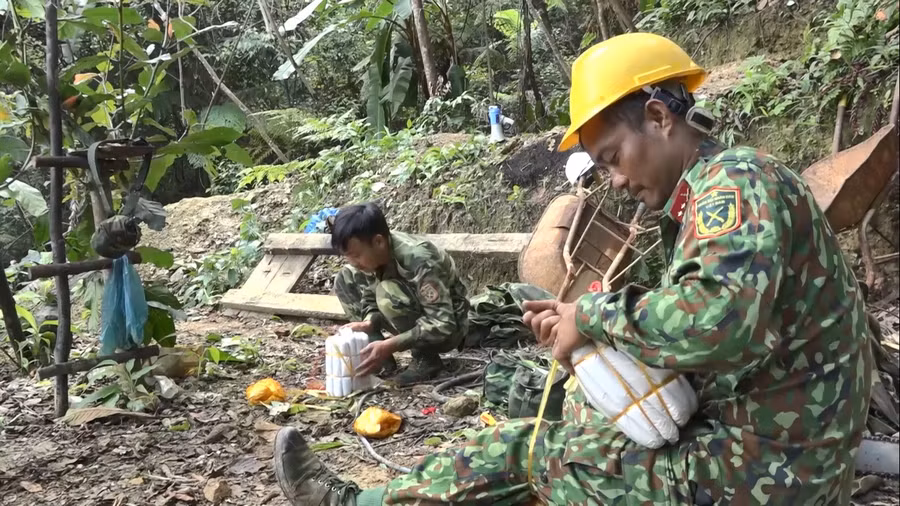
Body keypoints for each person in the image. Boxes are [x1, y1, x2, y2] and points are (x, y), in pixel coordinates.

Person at [272, 33, 873, 506]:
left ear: (659, 117)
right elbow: (710, 327)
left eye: (612, 157)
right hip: (774, 446)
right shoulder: (711, 191)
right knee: (574, 409)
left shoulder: (733, 184)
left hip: (770, 470)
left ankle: (349, 502)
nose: (616, 180)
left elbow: (715, 321)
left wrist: (590, 314)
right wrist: (585, 339)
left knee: (520, 449)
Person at [330, 202, 470, 385]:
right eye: (348, 256)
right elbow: (371, 297)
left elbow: (443, 323)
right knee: (345, 277)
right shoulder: (375, 256)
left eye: (356, 255)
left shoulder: (418, 258)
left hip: (449, 327)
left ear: (378, 242)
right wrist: (369, 322)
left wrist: (391, 345)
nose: (353, 262)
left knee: (388, 293)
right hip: (416, 314)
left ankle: (425, 360)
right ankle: (374, 353)